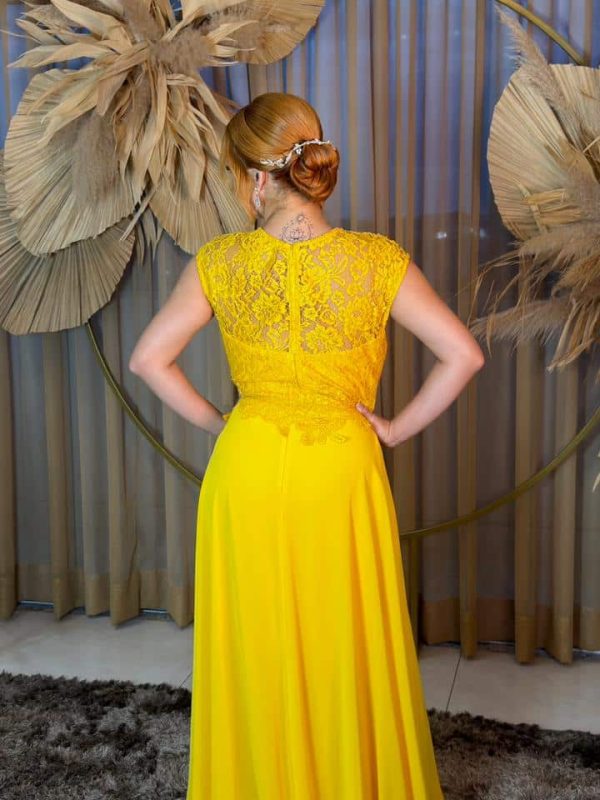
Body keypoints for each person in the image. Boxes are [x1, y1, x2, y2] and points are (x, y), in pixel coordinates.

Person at [129, 92, 484, 799]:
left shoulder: (220, 261)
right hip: (340, 468)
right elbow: (464, 355)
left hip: (247, 465)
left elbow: (147, 360)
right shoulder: (376, 261)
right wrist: (393, 428)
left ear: (256, 177)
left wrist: (222, 423)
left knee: (256, 646)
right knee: (340, 644)